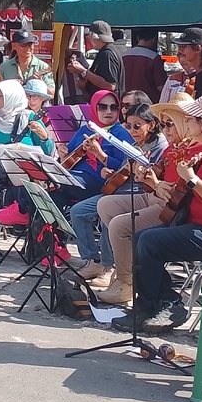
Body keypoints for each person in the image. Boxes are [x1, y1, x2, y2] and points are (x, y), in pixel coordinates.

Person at [113, 95, 202, 334]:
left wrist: (192, 179)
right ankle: (157, 303)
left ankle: (162, 305)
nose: (186, 124)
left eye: (190, 119)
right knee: (142, 238)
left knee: (150, 241)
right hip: (195, 222)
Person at [70, 99, 167, 284]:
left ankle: (109, 266)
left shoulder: (158, 145)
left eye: (137, 126)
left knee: (111, 215)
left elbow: (153, 177)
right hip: (119, 189)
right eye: (128, 126)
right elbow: (122, 171)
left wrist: (139, 172)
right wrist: (109, 170)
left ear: (152, 124)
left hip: (139, 193)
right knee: (78, 211)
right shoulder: (136, 143)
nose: (131, 131)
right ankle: (93, 260)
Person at [0, 80, 54, 225]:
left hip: (24, 167)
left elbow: (49, 152)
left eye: (0, 94)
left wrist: (44, 137)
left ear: (12, 96)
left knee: (21, 176)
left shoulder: (30, 117)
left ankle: (21, 216)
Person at [49, 89, 131, 208]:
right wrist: (63, 154)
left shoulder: (121, 133)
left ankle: (24, 216)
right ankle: (44, 224)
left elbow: (122, 166)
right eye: (103, 107)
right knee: (52, 192)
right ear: (93, 108)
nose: (109, 111)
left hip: (99, 181)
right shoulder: (86, 129)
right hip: (75, 175)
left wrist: (99, 153)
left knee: (56, 182)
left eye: (113, 107)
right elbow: (68, 157)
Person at [66, 20, 122, 96]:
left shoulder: (107, 54)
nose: (88, 38)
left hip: (106, 104)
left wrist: (83, 71)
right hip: (106, 104)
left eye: (89, 35)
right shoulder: (108, 52)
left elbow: (110, 85)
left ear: (94, 36)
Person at [0, 28, 55, 93]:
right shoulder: (4, 67)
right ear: (13, 46)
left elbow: (52, 94)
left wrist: (41, 84)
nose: (28, 48)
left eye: (30, 44)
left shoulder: (43, 66)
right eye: (23, 45)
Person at [124, 28, 168, 101]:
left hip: (127, 100)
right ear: (153, 40)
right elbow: (161, 86)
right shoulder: (154, 57)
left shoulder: (124, 56)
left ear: (138, 38)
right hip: (148, 101)